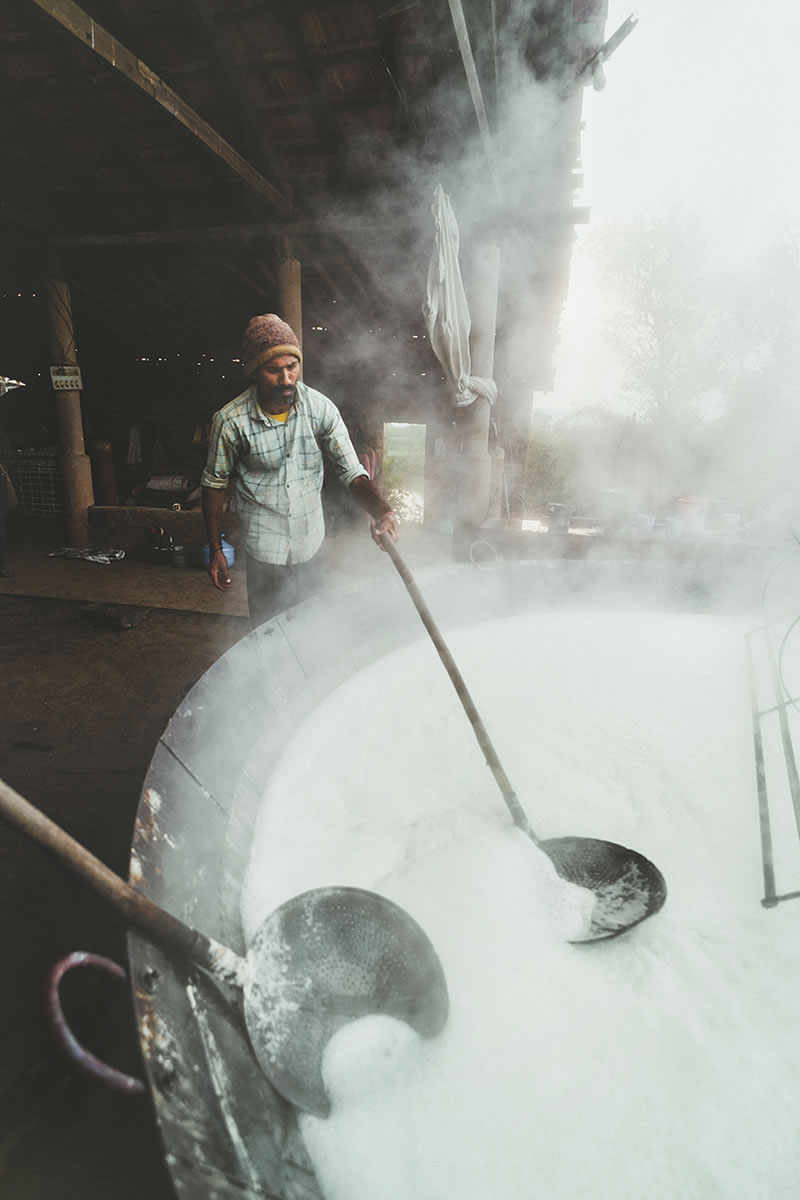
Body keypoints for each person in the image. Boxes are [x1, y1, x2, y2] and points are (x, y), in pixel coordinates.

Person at [201, 313, 398, 625]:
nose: (286, 379)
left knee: (311, 628)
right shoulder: (230, 421)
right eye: (273, 370)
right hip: (264, 551)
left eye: (292, 367)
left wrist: (381, 510)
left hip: (310, 544)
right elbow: (213, 486)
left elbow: (351, 471)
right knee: (268, 633)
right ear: (254, 371)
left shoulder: (319, 408)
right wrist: (215, 549)